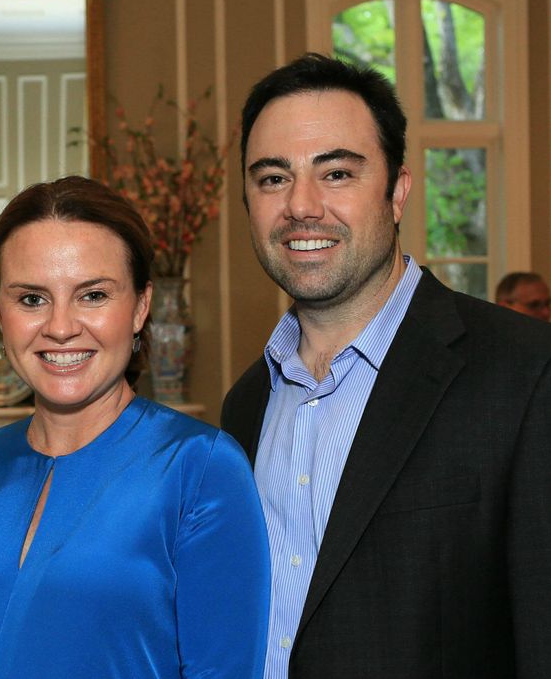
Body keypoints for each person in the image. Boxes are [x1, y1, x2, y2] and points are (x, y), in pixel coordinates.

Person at [220, 52, 551, 679]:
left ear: (398, 190)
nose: (301, 206)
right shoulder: (246, 405)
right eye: (271, 179)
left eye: (337, 173)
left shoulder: (525, 376)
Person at [0, 176, 270, 679]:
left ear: (140, 306)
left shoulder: (200, 468)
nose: (61, 326)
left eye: (92, 295)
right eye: (31, 299)